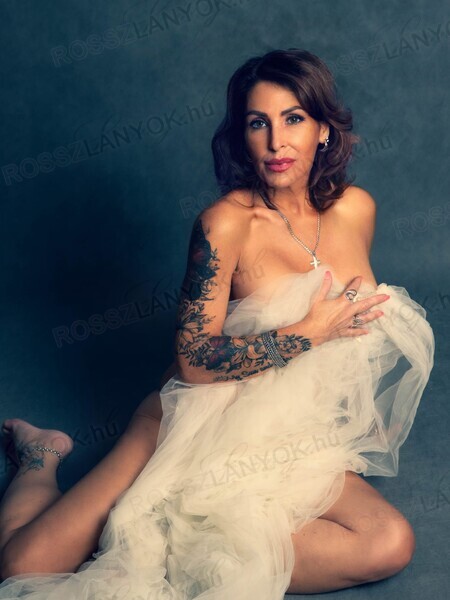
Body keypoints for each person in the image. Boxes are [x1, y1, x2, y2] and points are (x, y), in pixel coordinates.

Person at [0, 48, 434, 599]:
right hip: (191, 422)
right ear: (242, 135)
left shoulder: (356, 209)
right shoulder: (226, 224)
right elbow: (193, 361)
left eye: (293, 119)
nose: (276, 142)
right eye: (258, 123)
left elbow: (356, 326)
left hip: (289, 434)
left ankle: (194, 543)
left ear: (323, 128)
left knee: (388, 542)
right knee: (25, 566)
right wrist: (309, 332)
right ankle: (40, 456)